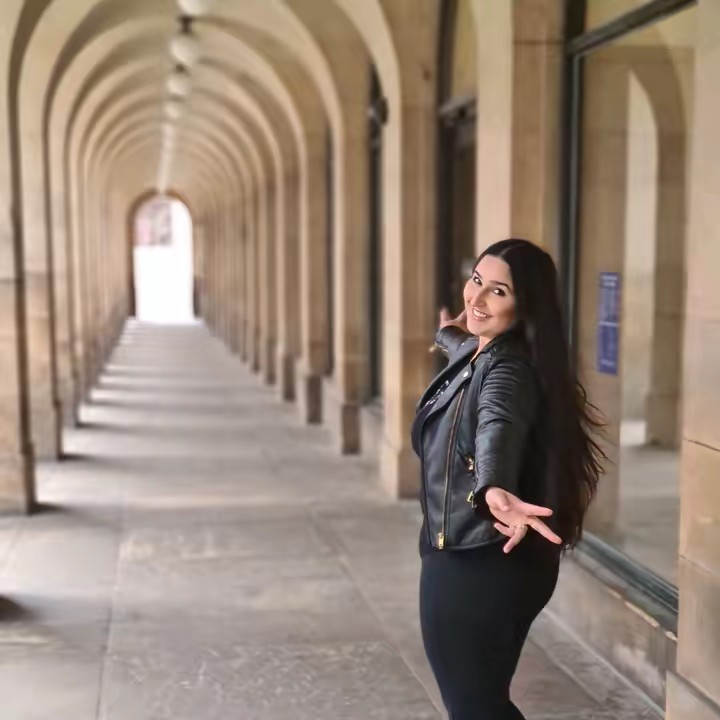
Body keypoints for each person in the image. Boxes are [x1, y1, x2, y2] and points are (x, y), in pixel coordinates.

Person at [411, 238, 605, 720]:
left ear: (526, 305)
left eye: (497, 291)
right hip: (480, 555)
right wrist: (447, 335)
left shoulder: (508, 370)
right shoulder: (486, 351)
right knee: (479, 702)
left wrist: (492, 487)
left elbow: (497, 426)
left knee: (475, 707)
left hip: (478, 559)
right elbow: (466, 345)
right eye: (476, 281)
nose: (476, 298)